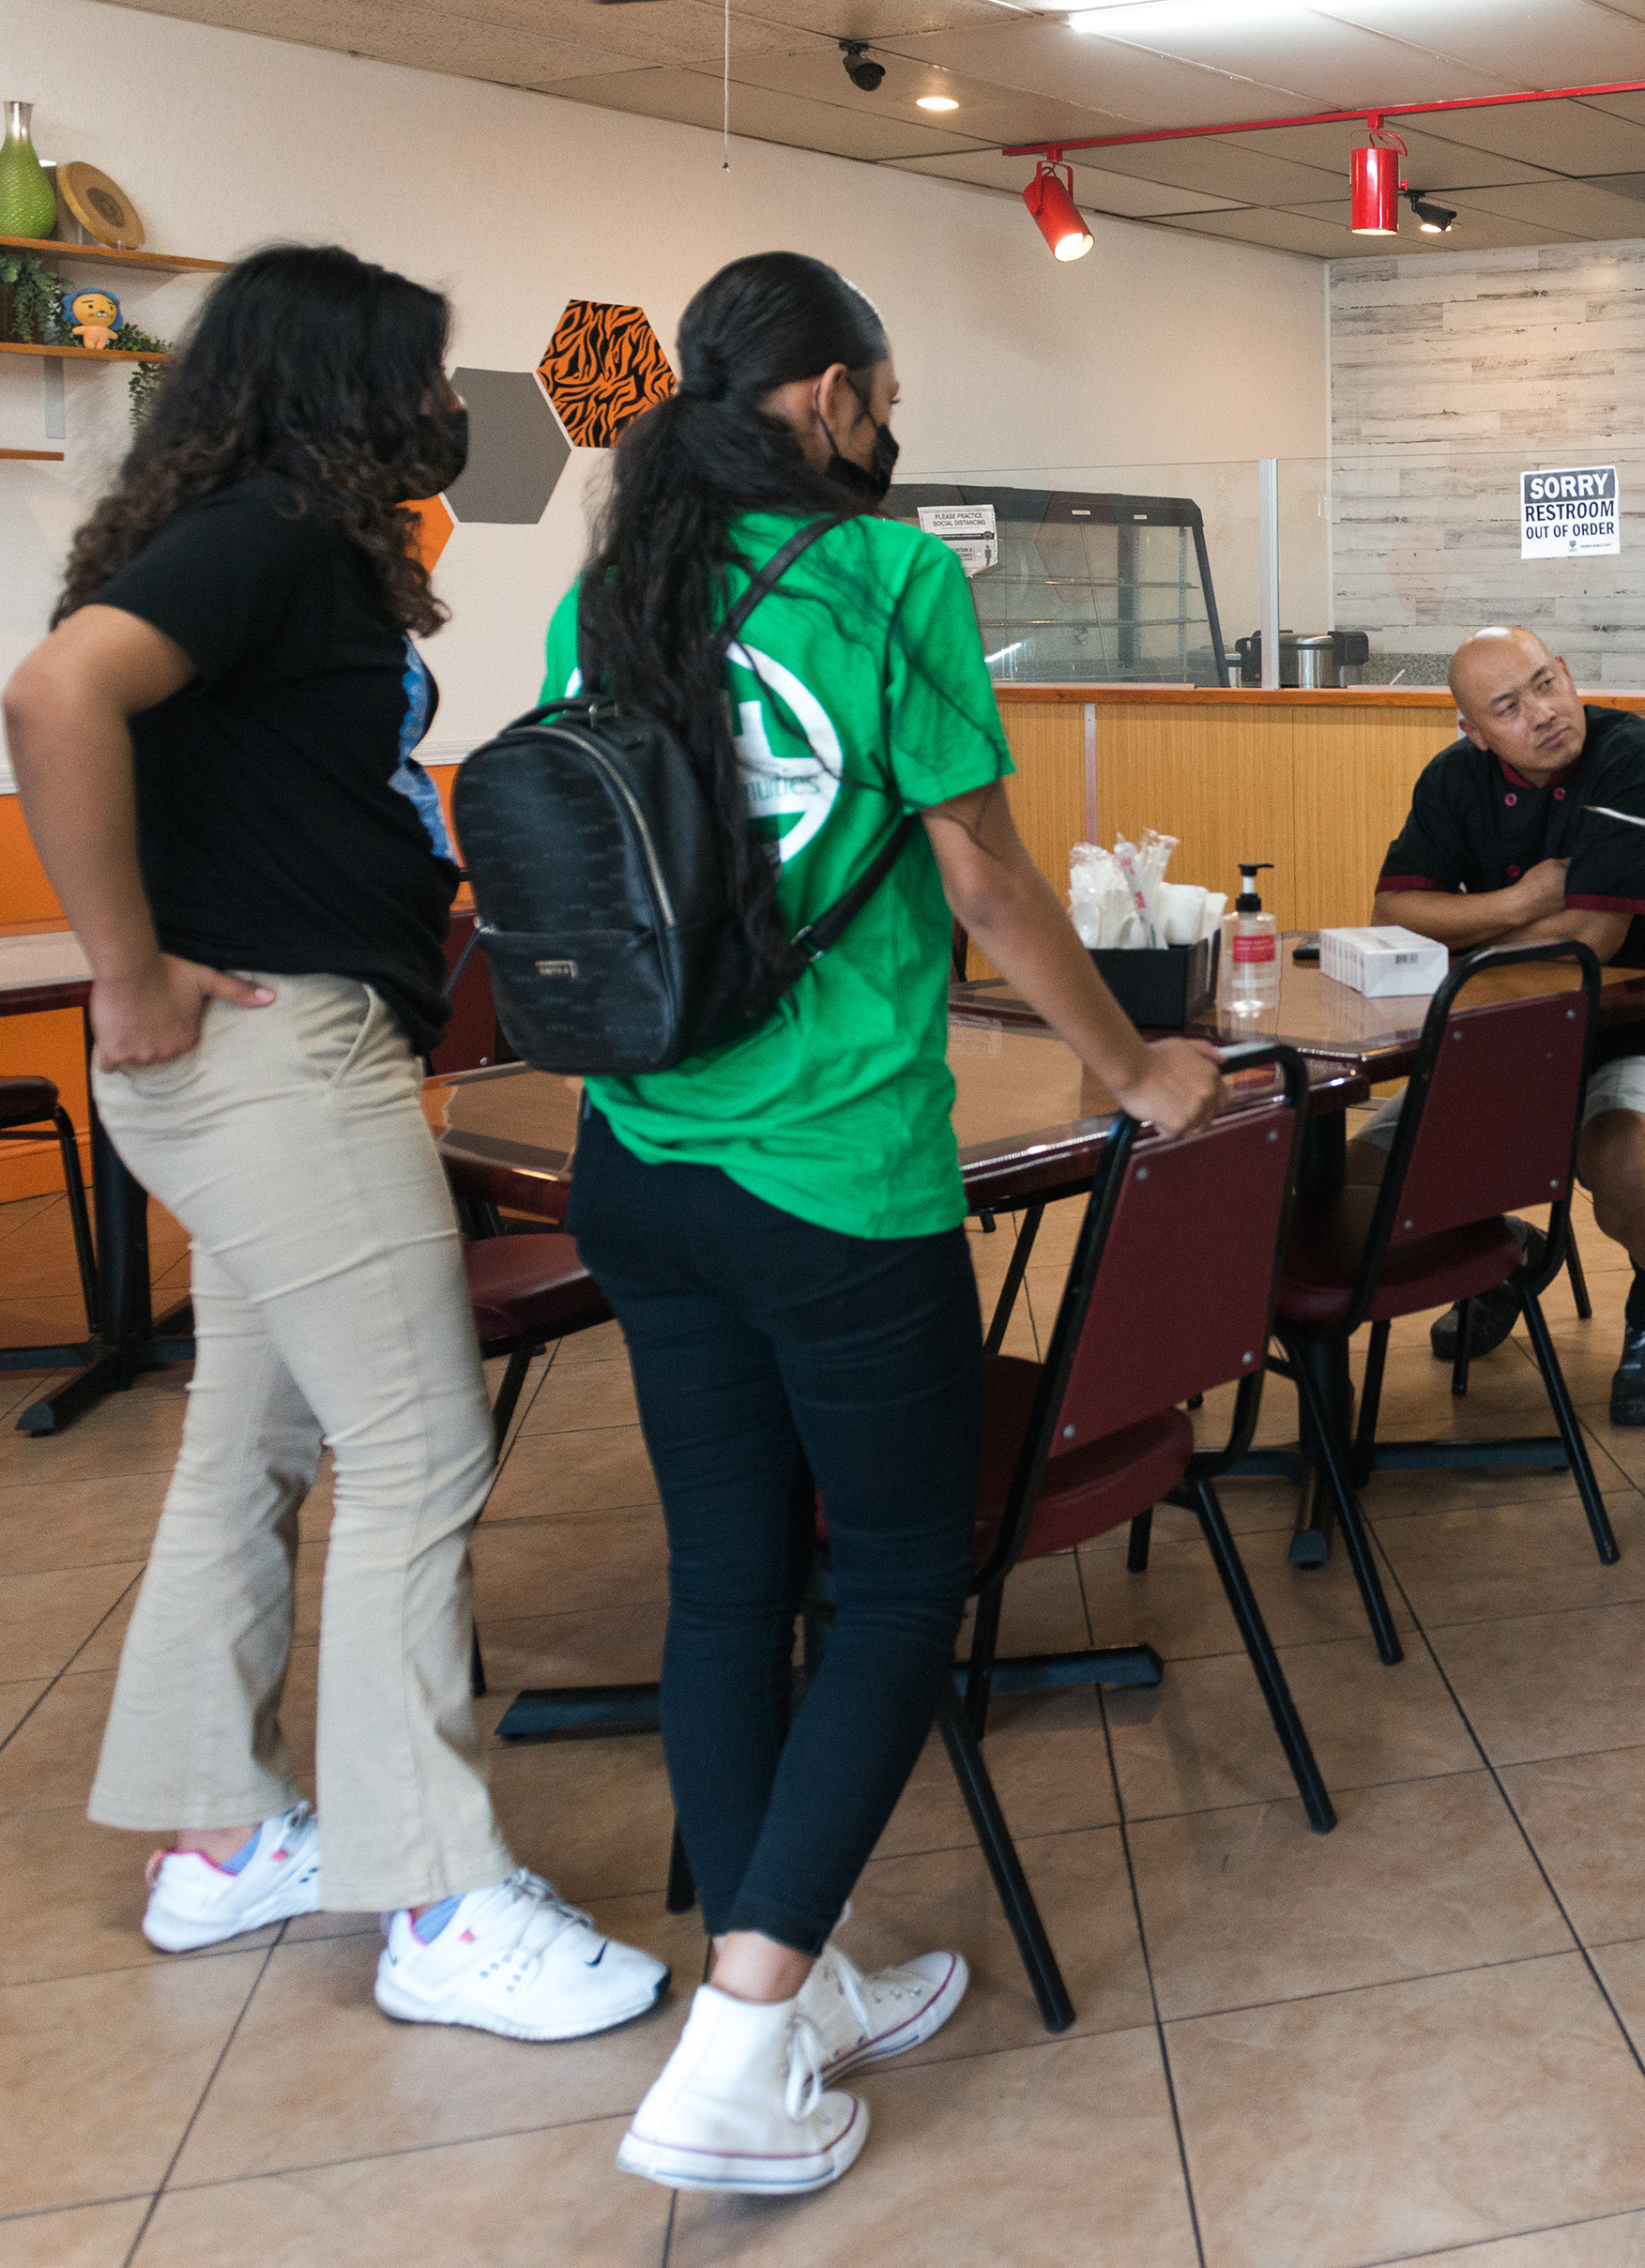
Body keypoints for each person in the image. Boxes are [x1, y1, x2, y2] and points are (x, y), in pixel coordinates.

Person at [540, 252, 1223, 2196]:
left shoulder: (614, 587)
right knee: (909, 1580)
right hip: (833, 1171)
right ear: (833, 396)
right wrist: (1132, 1066)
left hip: (638, 1153)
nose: (887, 425)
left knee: (724, 1582)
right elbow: (984, 876)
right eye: (886, 396)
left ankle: (799, 1968)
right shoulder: (886, 576)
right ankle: (740, 2044)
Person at [3, 246, 667, 2044]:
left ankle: (218, 1836)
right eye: (428, 378)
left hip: (272, 1052)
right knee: (422, 1450)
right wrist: (124, 970)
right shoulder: (269, 536)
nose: (450, 408)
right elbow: (53, 700)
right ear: (346, 388)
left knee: (254, 1441)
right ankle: (436, 1899)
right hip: (275, 1058)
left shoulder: (246, 537)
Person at [1369, 626, 1645, 1425]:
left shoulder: (1635, 758)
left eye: (1545, 684)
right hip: (1495, 1038)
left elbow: (1591, 939)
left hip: (1630, 1031)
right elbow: (1392, 915)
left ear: (1565, 672)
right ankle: (1510, 1253)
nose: (1543, 713)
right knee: (1368, 1178)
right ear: (1473, 731)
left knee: (1622, 1159)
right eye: (1508, 707)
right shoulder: (1453, 779)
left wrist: (1464, 933)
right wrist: (1523, 901)